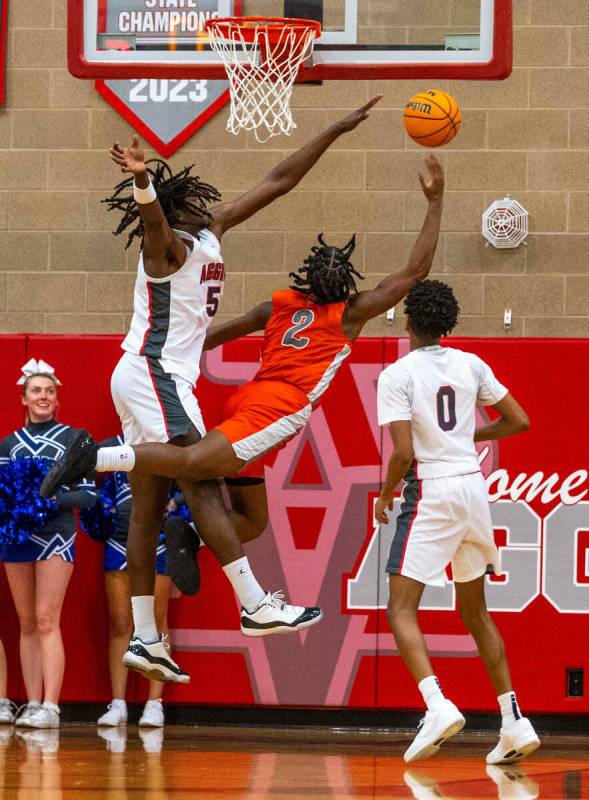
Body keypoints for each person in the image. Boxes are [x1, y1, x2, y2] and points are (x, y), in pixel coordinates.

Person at [45, 99, 384, 685]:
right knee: (200, 481)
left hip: (152, 373)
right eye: (192, 199)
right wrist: (145, 183)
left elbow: (277, 181)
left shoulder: (211, 232)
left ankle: (146, 638)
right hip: (155, 372)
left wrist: (334, 126)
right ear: (178, 206)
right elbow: (151, 222)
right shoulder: (166, 247)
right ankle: (255, 604)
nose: (207, 201)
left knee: (148, 505)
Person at [42, 155, 446, 606]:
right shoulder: (350, 314)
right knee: (196, 468)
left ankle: (189, 534)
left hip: (244, 400)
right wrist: (435, 202)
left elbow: (210, 335)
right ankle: (99, 457)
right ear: (350, 285)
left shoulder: (279, 304)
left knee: (250, 520)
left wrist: (172, 344)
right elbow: (415, 272)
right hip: (274, 410)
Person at [374, 279, 540, 765]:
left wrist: (386, 495)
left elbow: (403, 451)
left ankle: (436, 704)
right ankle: (513, 721)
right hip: (472, 488)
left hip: (431, 489)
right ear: (448, 322)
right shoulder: (471, 363)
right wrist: (471, 434)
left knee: (401, 609)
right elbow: (518, 420)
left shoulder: (397, 373)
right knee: (476, 612)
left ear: (407, 322)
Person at [0, 359, 96, 729]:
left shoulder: (74, 440)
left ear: (57, 399)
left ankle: (52, 707)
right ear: (23, 398)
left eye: (49, 391)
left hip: (55, 534)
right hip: (17, 538)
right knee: (26, 622)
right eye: (36, 391)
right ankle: (33, 702)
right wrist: (17, 505)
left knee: (45, 618)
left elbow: (88, 496)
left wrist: (49, 500)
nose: (43, 397)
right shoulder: (8, 445)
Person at [95, 435, 170, 729]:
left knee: (157, 622)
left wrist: (175, 510)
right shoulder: (110, 446)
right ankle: (118, 703)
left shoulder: (167, 444)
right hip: (118, 543)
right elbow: (99, 494)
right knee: (120, 623)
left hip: (157, 543)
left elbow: (185, 492)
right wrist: (107, 513)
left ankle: (154, 703)